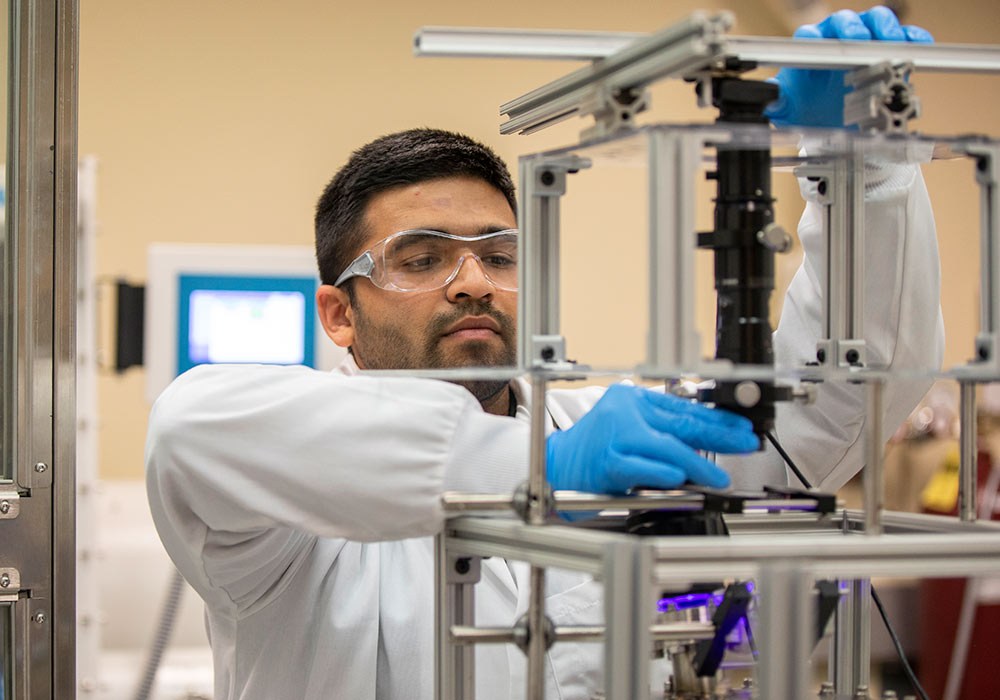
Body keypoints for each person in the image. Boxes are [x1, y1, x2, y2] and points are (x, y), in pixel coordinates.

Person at [145, 7, 943, 699]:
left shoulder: (611, 434)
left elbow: (848, 388)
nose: (472, 284)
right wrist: (539, 469)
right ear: (339, 314)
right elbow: (187, 429)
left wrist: (858, 166)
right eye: (420, 259)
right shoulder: (292, 508)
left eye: (499, 255)